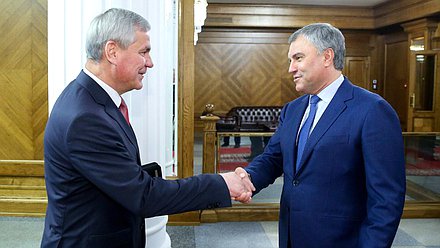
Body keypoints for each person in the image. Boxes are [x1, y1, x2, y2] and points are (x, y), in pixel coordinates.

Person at [41, 8, 254, 248]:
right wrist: (221, 183)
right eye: (144, 52)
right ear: (112, 51)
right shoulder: (85, 117)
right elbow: (143, 196)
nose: (150, 63)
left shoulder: (92, 99)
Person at [235, 23, 406, 247]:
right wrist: (246, 179)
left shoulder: (372, 110)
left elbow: (387, 198)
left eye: (298, 58)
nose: (291, 68)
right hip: (292, 237)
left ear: (327, 57)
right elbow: (274, 158)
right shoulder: (292, 109)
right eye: (290, 60)